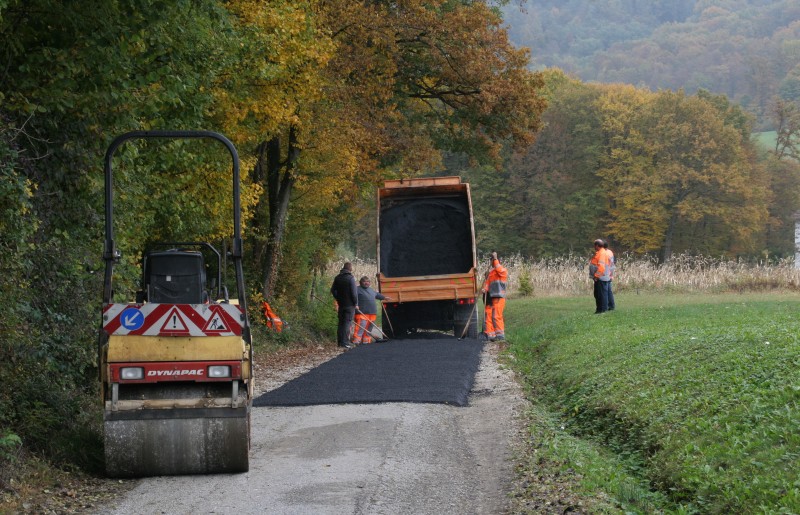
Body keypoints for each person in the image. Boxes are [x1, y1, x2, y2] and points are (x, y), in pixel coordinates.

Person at [352, 276, 390, 345]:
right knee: (361, 327)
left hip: (372, 313)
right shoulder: (357, 289)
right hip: (362, 312)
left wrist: (384, 297)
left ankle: (366, 340)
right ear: (361, 282)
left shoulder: (371, 290)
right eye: (364, 281)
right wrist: (356, 304)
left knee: (369, 328)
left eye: (368, 281)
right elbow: (354, 298)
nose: (366, 283)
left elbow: (377, 295)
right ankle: (356, 340)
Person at [330, 262, 358, 348]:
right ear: (350, 269)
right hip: (349, 305)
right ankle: (345, 342)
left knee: (341, 323)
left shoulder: (337, 278)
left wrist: (338, 298)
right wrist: (355, 303)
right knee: (347, 323)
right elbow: (354, 293)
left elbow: (333, 290)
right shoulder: (350, 279)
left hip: (341, 304)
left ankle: (340, 342)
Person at [481, 251, 508, 341]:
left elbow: (499, 269)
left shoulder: (502, 271)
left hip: (499, 297)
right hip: (491, 297)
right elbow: (487, 284)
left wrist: (495, 258)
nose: (492, 263)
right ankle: (491, 335)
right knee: (490, 316)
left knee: (497, 316)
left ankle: (500, 335)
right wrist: (484, 289)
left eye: (493, 262)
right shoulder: (491, 273)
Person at [589, 239, 611, 313]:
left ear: (597, 245)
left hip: (601, 277)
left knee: (601, 295)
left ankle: (602, 310)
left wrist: (596, 276)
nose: (594, 247)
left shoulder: (601, 253)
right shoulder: (600, 252)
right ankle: (599, 310)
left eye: (594, 245)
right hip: (601, 277)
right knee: (598, 294)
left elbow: (601, 267)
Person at [603, 240, 616, 311]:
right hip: (610, 273)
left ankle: (607, 306)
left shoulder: (604, 254)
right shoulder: (610, 252)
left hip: (605, 274)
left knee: (605, 291)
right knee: (609, 291)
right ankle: (611, 306)